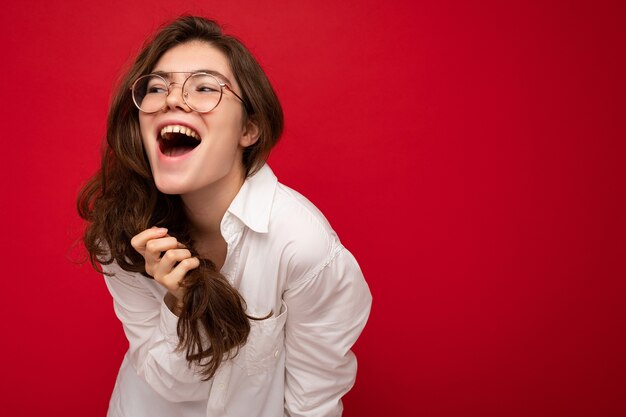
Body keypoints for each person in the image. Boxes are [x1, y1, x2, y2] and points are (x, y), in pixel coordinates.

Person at [78, 15, 372, 417]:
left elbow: (315, 401)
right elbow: (162, 380)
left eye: (203, 87)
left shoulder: (302, 244)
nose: (172, 99)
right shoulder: (122, 232)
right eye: (157, 87)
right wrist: (180, 305)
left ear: (248, 129)